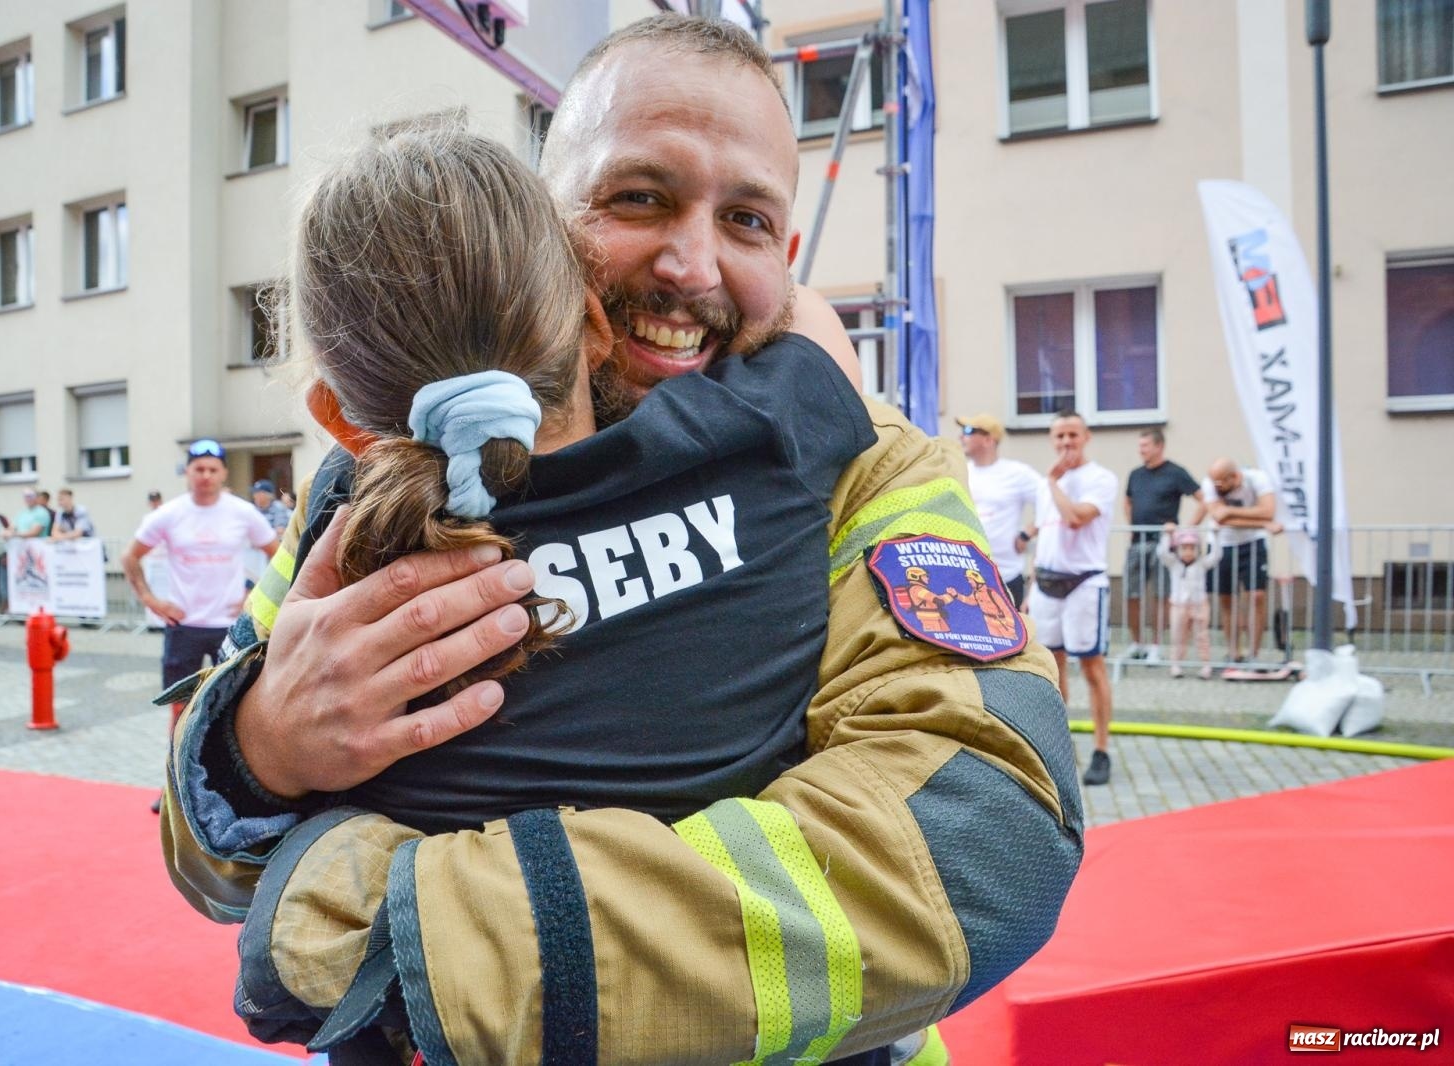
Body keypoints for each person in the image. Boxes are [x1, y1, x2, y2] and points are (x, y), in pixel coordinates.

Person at [161, 17, 1081, 1065]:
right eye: (638, 198)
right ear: (545, 226)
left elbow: (985, 832)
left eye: (743, 220)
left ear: (786, 261)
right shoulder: (377, 488)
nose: (691, 265)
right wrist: (259, 746)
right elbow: (201, 858)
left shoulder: (864, 461)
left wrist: (403, 928)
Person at [121, 438, 278, 811]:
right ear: (188, 473)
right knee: (180, 708)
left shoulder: (241, 513)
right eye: (198, 469)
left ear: (223, 473)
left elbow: (279, 553)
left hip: (230, 626)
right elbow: (130, 557)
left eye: (212, 469)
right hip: (185, 625)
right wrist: (151, 601)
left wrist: (253, 597)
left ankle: (232, 791)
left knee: (238, 708)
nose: (205, 476)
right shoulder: (169, 515)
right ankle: (173, 790)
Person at [1025, 410, 1118, 786]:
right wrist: (1031, 588)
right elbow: (1046, 536)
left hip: (1084, 583)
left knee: (1091, 667)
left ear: (1086, 437)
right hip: (1047, 582)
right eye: (1059, 437)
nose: (1066, 443)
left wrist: (1053, 481)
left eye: (1072, 436)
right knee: (1052, 668)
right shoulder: (1046, 486)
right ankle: (1059, 747)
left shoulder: (1100, 479)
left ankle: (1101, 748)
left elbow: (1077, 518)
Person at [1121, 428, 1201, 661]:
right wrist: (1132, 524)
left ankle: (1156, 646)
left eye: (1145, 446)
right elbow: (1127, 501)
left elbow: (1202, 500)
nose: (1141, 450)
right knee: (1131, 593)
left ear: (1159, 446)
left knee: (1161, 594)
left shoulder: (1175, 473)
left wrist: (1185, 530)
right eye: (1140, 446)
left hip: (1164, 543)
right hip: (1138, 541)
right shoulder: (1135, 474)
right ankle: (1137, 643)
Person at [1189, 458, 1277, 663]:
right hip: (1222, 543)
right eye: (1214, 484)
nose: (1217, 488)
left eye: (1221, 484)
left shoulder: (1258, 479)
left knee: (1256, 596)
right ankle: (1233, 651)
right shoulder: (1210, 483)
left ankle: (1253, 654)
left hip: (1253, 542)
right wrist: (1262, 523)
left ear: (1235, 477)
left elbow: (1268, 510)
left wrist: (1230, 511)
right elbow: (1218, 517)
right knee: (1227, 599)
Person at [957, 412, 1039, 606]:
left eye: (968, 431)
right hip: (965, 574)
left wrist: (1027, 533)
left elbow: (1049, 502)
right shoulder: (960, 472)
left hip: (1005, 576)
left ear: (988, 439)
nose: (961, 436)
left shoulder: (1016, 473)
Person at [1156, 525, 1222, 679]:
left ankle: (1205, 665)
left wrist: (1216, 536)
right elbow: (1162, 553)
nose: (1188, 552)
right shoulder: (1173, 564)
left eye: (1192, 548)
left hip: (1199, 604)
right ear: (1177, 549)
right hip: (1178, 605)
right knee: (1178, 635)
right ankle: (1176, 665)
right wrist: (1167, 536)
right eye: (1184, 548)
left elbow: (1216, 556)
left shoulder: (1201, 564)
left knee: (1202, 635)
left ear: (1198, 550)